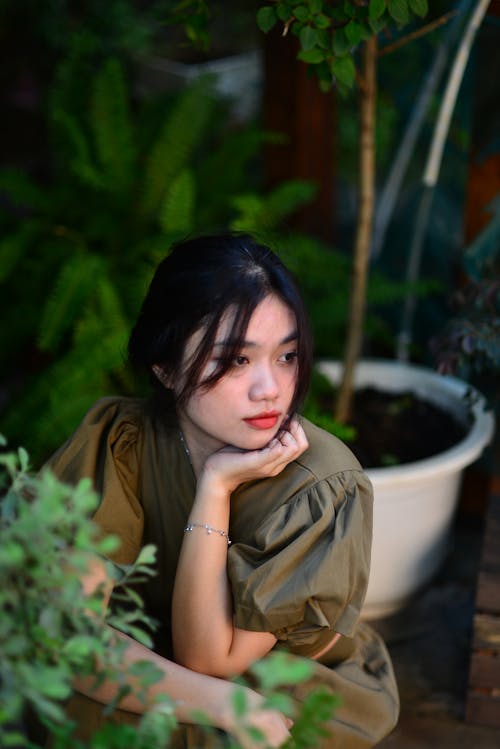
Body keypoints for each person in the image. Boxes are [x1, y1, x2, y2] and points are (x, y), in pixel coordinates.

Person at [46, 233, 399, 749]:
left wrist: (214, 489)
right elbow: (64, 631)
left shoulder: (323, 487)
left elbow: (209, 659)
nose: (271, 390)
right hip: (179, 671)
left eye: (287, 356)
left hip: (278, 684)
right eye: (236, 360)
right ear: (165, 368)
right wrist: (216, 481)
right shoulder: (122, 440)